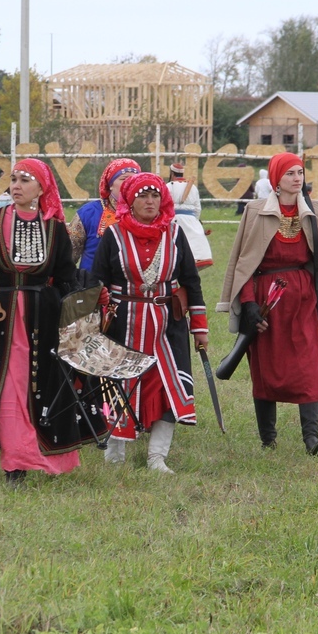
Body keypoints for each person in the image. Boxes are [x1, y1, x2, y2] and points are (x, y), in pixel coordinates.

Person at [0, 158, 99, 485]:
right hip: (2, 315)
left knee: (39, 386)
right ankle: (14, 464)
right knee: (9, 385)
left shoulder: (55, 230)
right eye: (13, 179)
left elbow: (66, 277)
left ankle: (37, 452)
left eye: (25, 180)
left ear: (42, 188)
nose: (17, 186)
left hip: (43, 318)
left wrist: (86, 311)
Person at [216, 152, 318, 455]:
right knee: (267, 367)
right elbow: (245, 263)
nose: (297, 178)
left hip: (304, 300)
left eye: (300, 172)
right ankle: (268, 439)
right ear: (276, 179)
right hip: (267, 301)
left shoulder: (317, 211)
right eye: (290, 173)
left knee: (309, 365)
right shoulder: (255, 212)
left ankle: (311, 438)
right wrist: (250, 304)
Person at [92, 172, 208, 473]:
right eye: (142, 195)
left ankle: (157, 457)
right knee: (115, 388)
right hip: (121, 326)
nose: (149, 201)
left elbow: (191, 281)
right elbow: (96, 282)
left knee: (169, 387)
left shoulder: (175, 232)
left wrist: (199, 328)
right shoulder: (113, 235)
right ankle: (114, 456)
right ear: (129, 200)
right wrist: (94, 323)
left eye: (155, 195)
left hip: (167, 327)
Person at [68, 158, 140, 270]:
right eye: (124, 179)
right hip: (93, 284)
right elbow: (69, 256)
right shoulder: (88, 213)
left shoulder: (146, 212)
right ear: (110, 184)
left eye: (135, 179)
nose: (130, 183)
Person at [165, 162, 213, 269]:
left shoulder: (168, 187)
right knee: (194, 245)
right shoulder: (193, 188)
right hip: (191, 220)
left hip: (174, 220)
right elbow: (197, 208)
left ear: (172, 173)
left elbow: (164, 206)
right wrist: (196, 221)